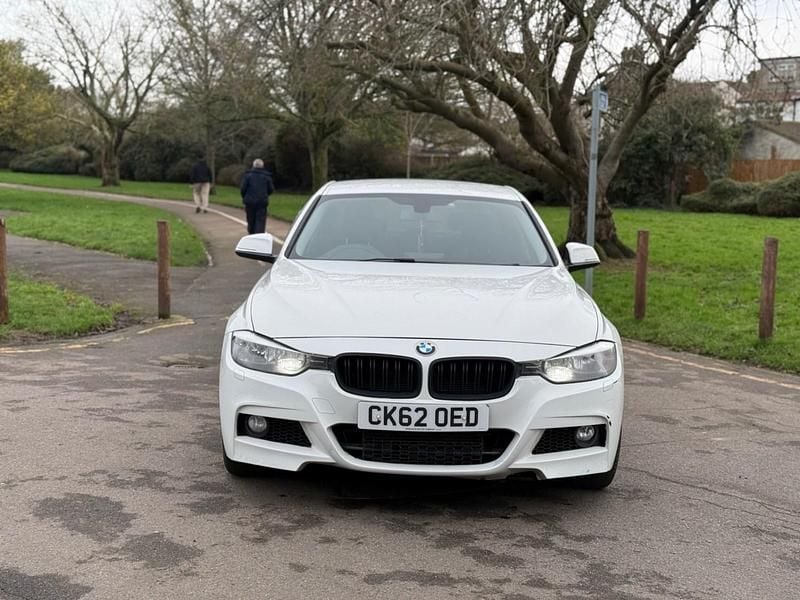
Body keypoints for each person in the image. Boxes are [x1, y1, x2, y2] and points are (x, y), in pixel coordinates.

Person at [240, 158, 274, 234]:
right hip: (262, 201)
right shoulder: (267, 177)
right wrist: (265, 194)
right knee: (260, 220)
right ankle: (259, 235)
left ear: (253, 166)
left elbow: (243, 188)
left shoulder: (248, 176)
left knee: (250, 219)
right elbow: (271, 189)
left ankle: (251, 234)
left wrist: (244, 197)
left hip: (250, 201)